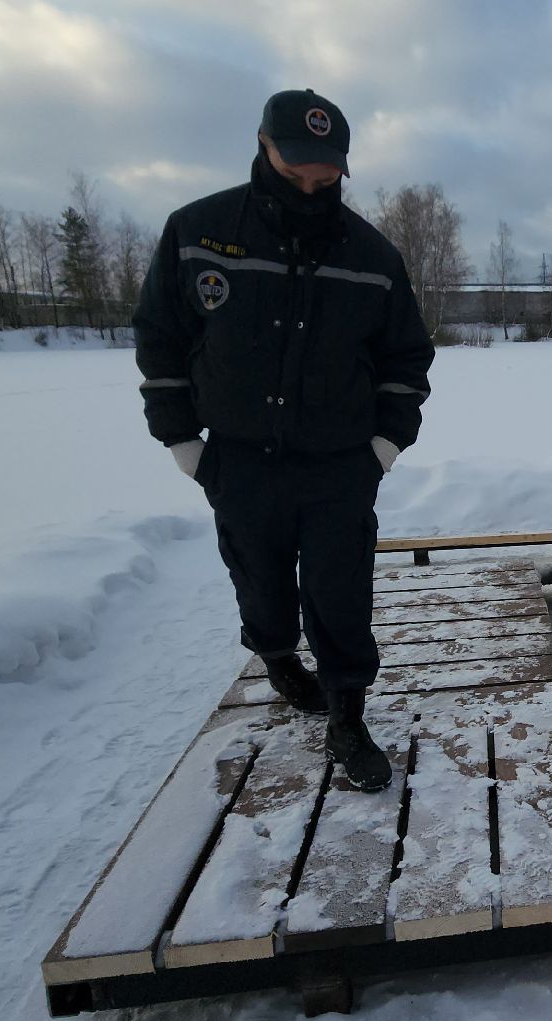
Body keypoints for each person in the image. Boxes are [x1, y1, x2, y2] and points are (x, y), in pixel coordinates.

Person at [132, 89, 434, 792]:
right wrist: (183, 443)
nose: (311, 186)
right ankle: (276, 657)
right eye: (296, 169)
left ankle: (348, 715)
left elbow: (406, 360)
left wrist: (384, 448)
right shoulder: (198, 232)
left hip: (339, 466)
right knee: (261, 585)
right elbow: (161, 339)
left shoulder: (372, 255)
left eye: (325, 175)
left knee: (340, 593)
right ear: (263, 146)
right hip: (238, 460)